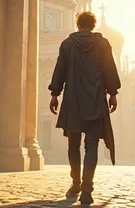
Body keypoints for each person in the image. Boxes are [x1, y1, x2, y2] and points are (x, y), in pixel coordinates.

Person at [48, 11, 121, 205]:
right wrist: (112, 93)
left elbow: (60, 70)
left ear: (78, 25)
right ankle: (87, 191)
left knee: (73, 144)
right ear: (93, 25)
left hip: (73, 102)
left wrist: (55, 94)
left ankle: (76, 184)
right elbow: (109, 69)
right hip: (95, 100)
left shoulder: (67, 44)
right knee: (92, 145)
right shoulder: (103, 44)